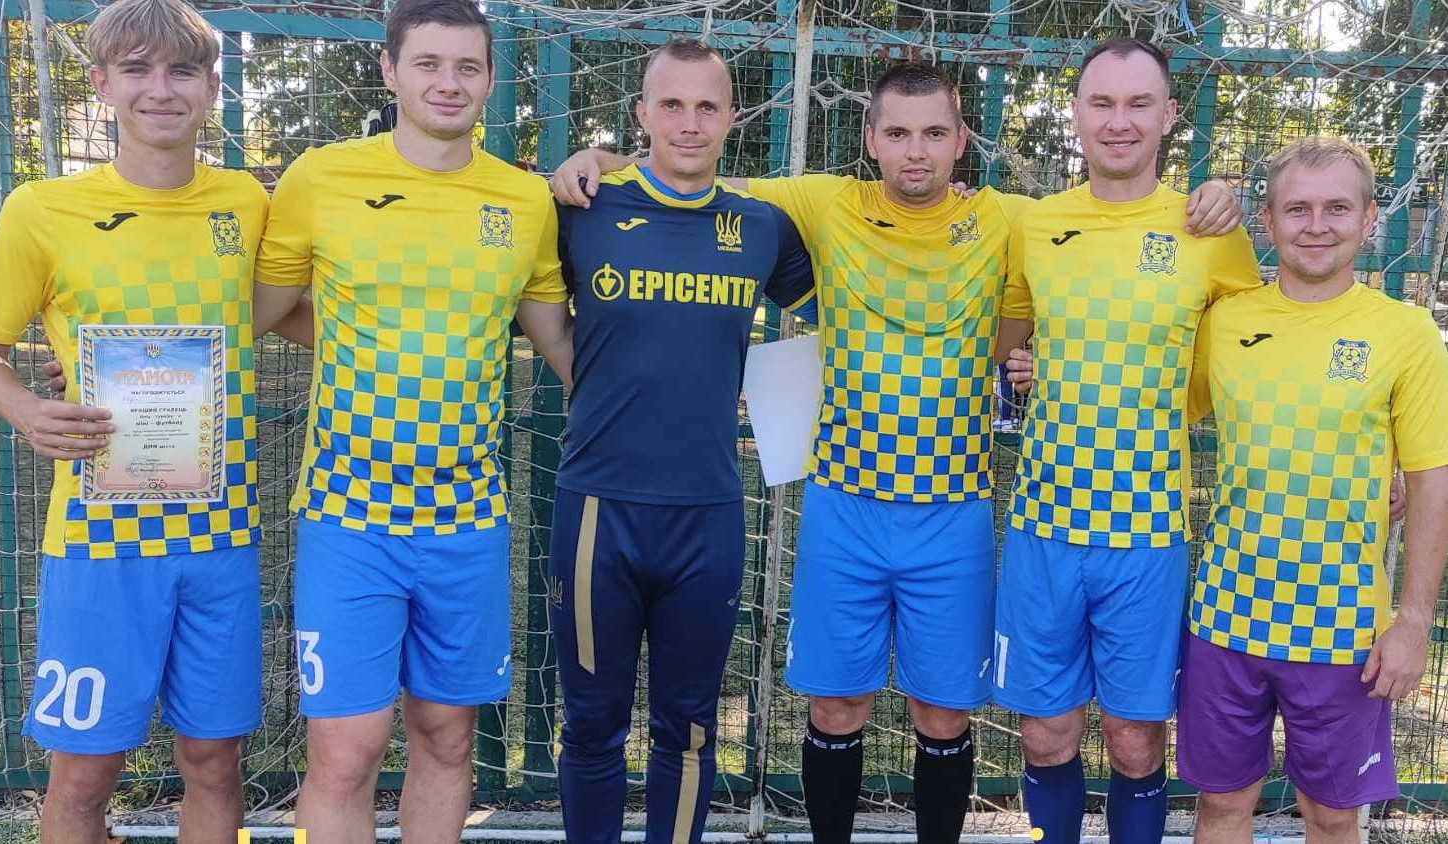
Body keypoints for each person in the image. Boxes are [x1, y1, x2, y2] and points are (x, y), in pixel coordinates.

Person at [554, 60, 1241, 843]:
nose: (917, 151)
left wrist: (1215, 193)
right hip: (843, 504)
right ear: (871, 139)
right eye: (900, 133)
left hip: (954, 510)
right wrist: (601, 158)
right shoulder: (824, 202)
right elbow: (693, 168)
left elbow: (1114, 225)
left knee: (942, 712)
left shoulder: (1015, 218)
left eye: (935, 133)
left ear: (962, 140)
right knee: (835, 704)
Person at [249, 1, 573, 841]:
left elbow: (558, 341)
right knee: (345, 752)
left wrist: (669, 395)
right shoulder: (320, 178)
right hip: (347, 513)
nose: (448, 83)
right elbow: (254, 311)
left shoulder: (523, 199)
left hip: (467, 516)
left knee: (447, 736)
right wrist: (101, 360)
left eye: (468, 66)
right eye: (428, 63)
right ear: (389, 70)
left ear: (491, 79)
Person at [0, 1, 267, 840]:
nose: (160, 90)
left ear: (213, 87)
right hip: (99, 538)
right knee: (82, 776)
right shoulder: (42, 208)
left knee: (214, 761)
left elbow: (298, 307)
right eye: (137, 69)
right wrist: (28, 409)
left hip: (221, 531)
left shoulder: (248, 202)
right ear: (101, 83)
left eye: (181, 71)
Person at [993, 37, 1262, 844]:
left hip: (1147, 531)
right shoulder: (1036, 223)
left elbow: (1267, 352)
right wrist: (1019, 369)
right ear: (1075, 113)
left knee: (1136, 739)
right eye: (1102, 103)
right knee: (1044, 734)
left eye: (1139, 103)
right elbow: (1009, 344)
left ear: (1169, 115)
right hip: (1043, 524)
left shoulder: (1209, 226)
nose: (1120, 121)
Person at [547, 39, 815, 844]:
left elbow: (853, 305)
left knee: (690, 728)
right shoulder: (579, 209)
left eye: (707, 106)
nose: (689, 123)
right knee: (591, 725)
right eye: (671, 105)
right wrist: (588, 161)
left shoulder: (762, 227)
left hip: (707, 514)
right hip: (598, 512)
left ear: (733, 118)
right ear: (641, 114)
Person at [1180, 136, 1448, 844]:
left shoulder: (1406, 333)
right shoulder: (1226, 320)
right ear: (1268, 221)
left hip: (1340, 627)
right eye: (1298, 209)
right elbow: (1154, 406)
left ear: (1369, 219)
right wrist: (1040, 365)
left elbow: (1431, 482)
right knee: (1220, 808)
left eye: (1337, 208)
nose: (1317, 225)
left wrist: (1413, 623)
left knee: (1331, 817)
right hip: (1226, 616)